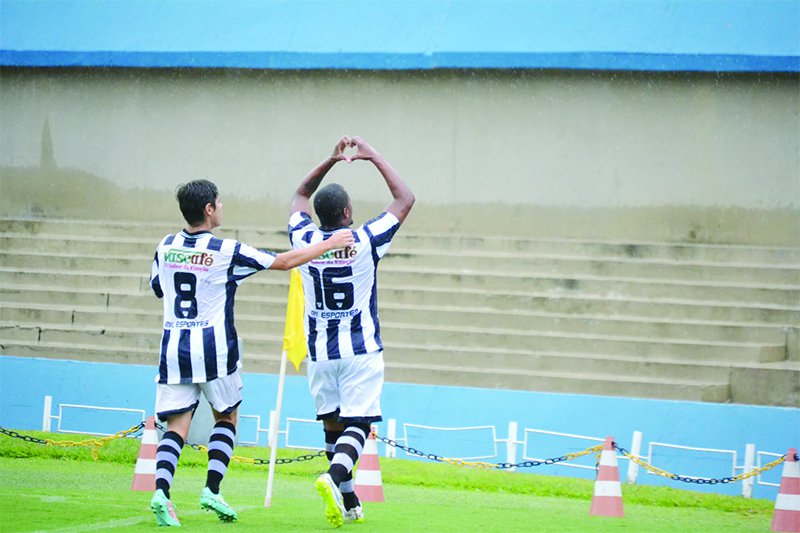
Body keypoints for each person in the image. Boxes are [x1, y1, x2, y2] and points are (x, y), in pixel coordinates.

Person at [148, 179, 354, 527]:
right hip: (215, 350)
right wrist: (329, 243)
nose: (222, 206)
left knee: (176, 426)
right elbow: (284, 262)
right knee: (226, 417)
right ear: (209, 210)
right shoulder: (226, 249)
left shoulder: (165, 246)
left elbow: (158, 288)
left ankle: (161, 494)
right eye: (219, 202)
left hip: (173, 349)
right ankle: (212, 489)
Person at [288, 136, 414, 528]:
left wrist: (329, 159)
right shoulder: (365, 240)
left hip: (320, 351)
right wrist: (372, 155)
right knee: (358, 425)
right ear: (347, 212)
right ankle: (334, 477)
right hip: (360, 349)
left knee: (332, 426)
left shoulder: (304, 239)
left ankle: (349, 500)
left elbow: (299, 195)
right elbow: (404, 199)